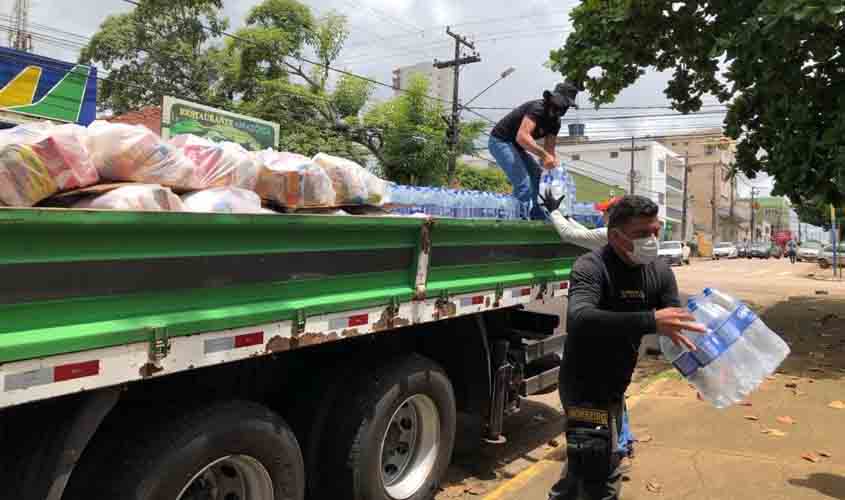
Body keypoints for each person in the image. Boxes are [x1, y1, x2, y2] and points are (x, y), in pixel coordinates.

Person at [546, 195, 705, 500]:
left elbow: (674, 325)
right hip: (583, 385)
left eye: (655, 231)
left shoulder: (659, 271)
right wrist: (650, 320)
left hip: (616, 384)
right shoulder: (591, 266)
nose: (652, 240)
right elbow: (580, 318)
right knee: (600, 472)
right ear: (616, 236)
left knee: (583, 466)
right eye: (642, 233)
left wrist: (699, 371)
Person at [488, 82, 578, 220]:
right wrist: (545, 156)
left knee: (538, 176)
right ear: (554, 99)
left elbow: (549, 151)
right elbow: (522, 137)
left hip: (516, 147)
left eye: (568, 105)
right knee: (523, 184)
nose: (564, 108)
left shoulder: (556, 122)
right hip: (500, 141)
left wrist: (555, 172)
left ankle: (538, 216)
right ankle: (516, 219)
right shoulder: (538, 109)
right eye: (564, 103)